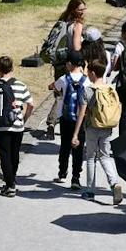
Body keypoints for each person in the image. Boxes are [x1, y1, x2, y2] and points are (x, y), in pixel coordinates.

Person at [71, 48, 126, 205]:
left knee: (90, 157)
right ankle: (114, 183)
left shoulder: (88, 90)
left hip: (92, 126)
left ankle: (90, 190)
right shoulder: (110, 89)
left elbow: (82, 113)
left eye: (89, 71)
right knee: (105, 155)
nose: (87, 73)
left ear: (93, 73)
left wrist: (75, 134)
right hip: (108, 126)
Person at [0, 55, 35, 196]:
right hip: (17, 125)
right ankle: (11, 181)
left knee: (4, 155)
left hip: (0, 125)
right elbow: (31, 104)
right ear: (12, 68)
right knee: (14, 154)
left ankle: (10, 185)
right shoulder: (21, 85)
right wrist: (24, 118)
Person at [48, 56, 85, 186]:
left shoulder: (64, 79)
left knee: (64, 147)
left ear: (69, 64)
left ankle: (62, 173)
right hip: (81, 120)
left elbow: (55, 88)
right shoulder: (86, 81)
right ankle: (76, 178)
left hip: (66, 118)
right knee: (78, 148)